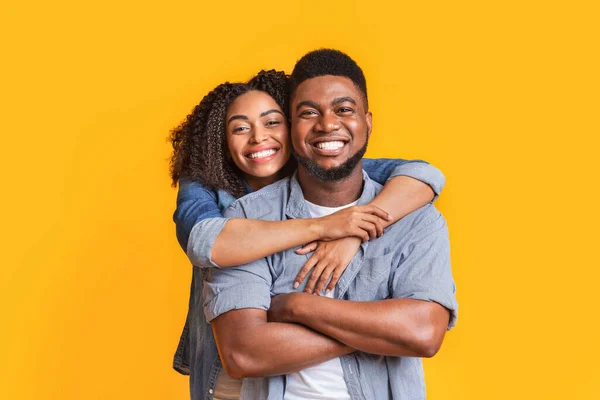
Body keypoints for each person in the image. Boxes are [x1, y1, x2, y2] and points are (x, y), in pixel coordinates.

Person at [170, 70, 446, 399]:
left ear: (290, 128)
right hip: (232, 381)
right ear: (222, 143)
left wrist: (350, 238)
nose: (258, 138)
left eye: (272, 122)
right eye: (241, 128)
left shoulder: (330, 163)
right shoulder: (218, 197)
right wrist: (382, 335)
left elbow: (423, 174)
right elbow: (209, 244)